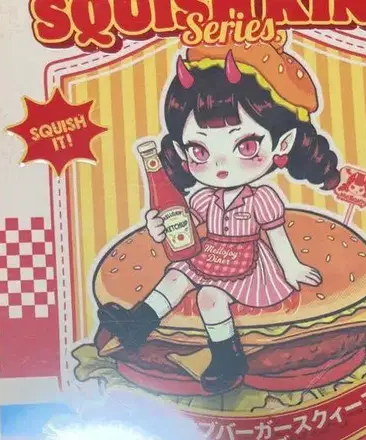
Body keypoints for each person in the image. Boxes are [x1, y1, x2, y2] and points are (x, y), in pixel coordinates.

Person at [98, 34, 341, 394]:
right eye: (200, 150)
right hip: (208, 255)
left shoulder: (261, 199)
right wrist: (158, 228)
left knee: (209, 298)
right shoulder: (202, 199)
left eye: (246, 145)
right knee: (175, 277)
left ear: (283, 143)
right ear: (182, 151)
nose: (221, 165)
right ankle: (137, 326)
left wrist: (292, 268)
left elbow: (276, 235)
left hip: (250, 269)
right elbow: (185, 228)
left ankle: (228, 359)